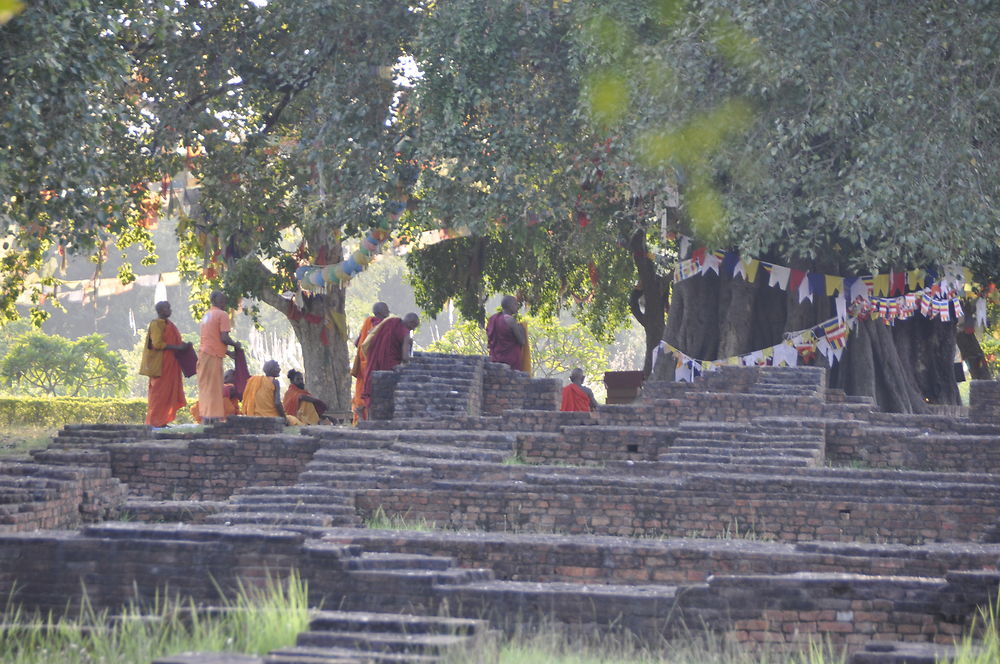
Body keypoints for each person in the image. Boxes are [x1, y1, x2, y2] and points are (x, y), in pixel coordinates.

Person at [139, 301, 193, 428]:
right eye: (168, 308)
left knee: (168, 393)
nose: (170, 310)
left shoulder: (170, 325)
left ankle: (162, 421)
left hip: (172, 363)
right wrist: (177, 348)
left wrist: (183, 346)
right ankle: (154, 422)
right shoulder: (156, 324)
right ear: (162, 310)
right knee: (159, 394)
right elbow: (157, 344)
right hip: (161, 364)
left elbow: (174, 341)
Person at [359, 312, 420, 419]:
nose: (411, 330)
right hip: (390, 367)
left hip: (375, 364)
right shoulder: (405, 332)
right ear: (411, 323)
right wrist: (416, 359)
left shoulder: (389, 323)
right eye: (413, 328)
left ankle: (369, 419)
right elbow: (405, 357)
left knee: (372, 393)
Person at [196, 290, 241, 424]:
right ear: (215, 301)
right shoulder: (222, 314)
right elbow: (224, 337)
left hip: (204, 354)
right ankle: (212, 417)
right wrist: (235, 345)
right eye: (222, 299)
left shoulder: (207, 315)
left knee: (206, 387)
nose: (225, 301)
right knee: (214, 387)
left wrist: (228, 353)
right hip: (213, 355)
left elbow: (212, 338)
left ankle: (206, 417)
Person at [351, 302, 389, 423]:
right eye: (386, 310)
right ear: (380, 312)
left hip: (364, 364)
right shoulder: (382, 325)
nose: (389, 312)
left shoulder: (368, 323)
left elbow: (357, 342)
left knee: (363, 391)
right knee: (371, 392)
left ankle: (361, 418)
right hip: (373, 364)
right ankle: (366, 417)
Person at [486, 295, 529, 373]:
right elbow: (522, 341)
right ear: (510, 305)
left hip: (495, 359)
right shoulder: (511, 321)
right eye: (515, 304)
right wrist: (522, 327)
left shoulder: (493, 319)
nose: (517, 307)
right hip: (511, 360)